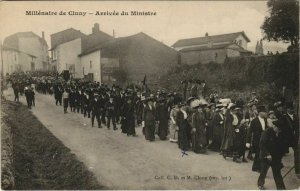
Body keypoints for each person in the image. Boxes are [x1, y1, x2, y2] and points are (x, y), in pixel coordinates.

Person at [257, 120, 286, 190]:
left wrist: (279, 159)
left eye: (280, 130)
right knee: (263, 171)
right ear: (274, 127)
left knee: (277, 172)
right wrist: (268, 154)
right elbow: (261, 144)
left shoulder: (280, 133)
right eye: (278, 129)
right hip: (266, 155)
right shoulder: (266, 132)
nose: (279, 131)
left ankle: (280, 187)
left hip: (275, 156)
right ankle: (260, 184)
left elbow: (281, 147)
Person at [246, 105, 268, 172]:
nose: (265, 113)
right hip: (256, 140)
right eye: (264, 112)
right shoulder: (254, 121)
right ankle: (259, 168)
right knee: (259, 153)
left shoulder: (265, 120)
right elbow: (249, 131)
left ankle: (255, 167)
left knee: (259, 153)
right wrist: (248, 141)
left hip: (263, 139)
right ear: (260, 112)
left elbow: (266, 129)